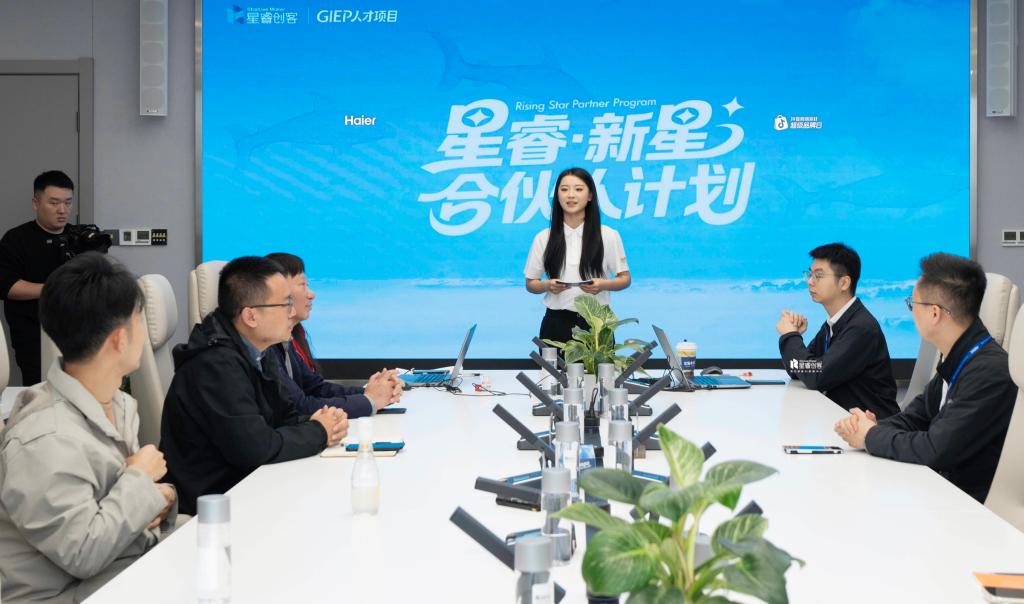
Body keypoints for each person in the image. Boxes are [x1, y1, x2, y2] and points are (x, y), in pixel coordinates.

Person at [0, 253, 177, 603]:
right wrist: (140, 479)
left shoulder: (118, 403)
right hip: (72, 593)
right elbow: (82, 553)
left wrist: (164, 496)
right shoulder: (44, 439)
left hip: (122, 567)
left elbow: (120, 501)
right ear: (119, 339)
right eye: (139, 320)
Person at [159, 256, 348, 515]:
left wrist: (324, 421)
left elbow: (284, 415)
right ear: (251, 316)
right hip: (216, 505)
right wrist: (318, 431)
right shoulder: (215, 365)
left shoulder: (258, 350)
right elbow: (256, 449)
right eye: (285, 304)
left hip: (252, 487)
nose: (292, 312)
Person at [835, 253, 1017, 503]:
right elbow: (914, 418)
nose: (911, 311)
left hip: (968, 509)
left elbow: (935, 449)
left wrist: (870, 436)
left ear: (934, 313)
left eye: (912, 304)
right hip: (941, 493)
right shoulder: (957, 360)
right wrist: (869, 428)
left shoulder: (988, 373)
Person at [263, 252, 403, 418]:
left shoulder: (288, 339)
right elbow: (299, 406)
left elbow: (315, 388)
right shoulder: (265, 347)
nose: (311, 294)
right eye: (302, 285)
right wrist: (369, 400)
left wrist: (375, 392)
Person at [777, 243, 899, 419]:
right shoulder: (835, 323)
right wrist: (794, 336)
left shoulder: (860, 327)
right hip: (843, 421)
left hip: (873, 427)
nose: (810, 281)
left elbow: (816, 376)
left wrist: (790, 336)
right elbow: (799, 370)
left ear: (843, 283)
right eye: (809, 274)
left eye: (818, 275)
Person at [524, 167, 631, 343]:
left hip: (596, 323)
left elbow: (625, 279)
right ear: (557, 196)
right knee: (551, 363)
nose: (571, 195)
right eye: (564, 189)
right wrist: (547, 285)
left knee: (600, 363)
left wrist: (603, 285)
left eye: (578, 189)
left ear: (590, 196)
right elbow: (531, 283)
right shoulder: (544, 237)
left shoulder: (608, 235)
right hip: (555, 322)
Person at [0, 171, 76, 385]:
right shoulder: (16, 239)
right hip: (33, 337)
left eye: (68, 203)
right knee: (41, 393)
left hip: (78, 333)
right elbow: (7, 286)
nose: (62, 210)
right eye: (54, 203)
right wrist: (55, 288)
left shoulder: (79, 238)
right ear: (36, 203)